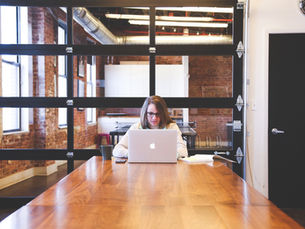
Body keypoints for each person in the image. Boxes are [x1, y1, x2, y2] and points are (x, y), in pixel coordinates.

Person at [112, 95, 188, 158]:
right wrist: (133, 154)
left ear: (163, 113)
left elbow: (183, 152)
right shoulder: (136, 128)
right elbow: (117, 150)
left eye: (158, 114)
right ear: (145, 113)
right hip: (140, 169)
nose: (154, 118)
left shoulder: (172, 127)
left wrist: (166, 156)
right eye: (151, 114)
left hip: (166, 169)